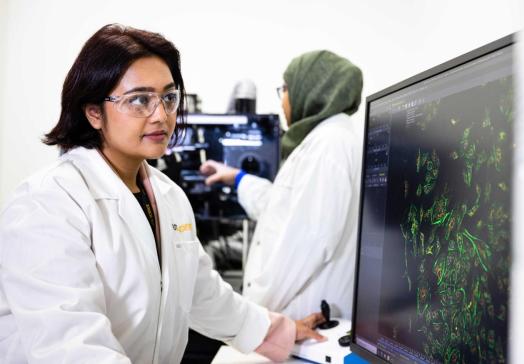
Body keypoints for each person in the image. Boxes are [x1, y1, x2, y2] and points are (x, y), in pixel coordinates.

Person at [0, 24, 325, 364]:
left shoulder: (167, 195)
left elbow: (201, 293)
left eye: (168, 97)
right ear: (93, 112)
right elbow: (73, 349)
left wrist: (281, 332)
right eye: (139, 99)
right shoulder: (47, 204)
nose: (161, 115)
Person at [200, 50, 363, 320]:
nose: (283, 100)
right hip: (293, 317)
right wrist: (237, 178)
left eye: (285, 89)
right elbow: (282, 207)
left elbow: (305, 243)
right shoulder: (324, 139)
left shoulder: (329, 145)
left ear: (312, 89)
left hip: (301, 316)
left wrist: (254, 317)